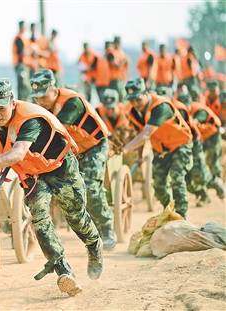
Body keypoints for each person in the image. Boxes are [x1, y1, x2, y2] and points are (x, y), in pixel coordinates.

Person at [0, 79, 103, 297]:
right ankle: (62, 269)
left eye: (1, 108)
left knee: (75, 216)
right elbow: (8, 151)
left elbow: (17, 152)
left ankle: (94, 245)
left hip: (59, 166)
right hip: (33, 174)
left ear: (11, 101)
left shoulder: (30, 119)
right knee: (38, 218)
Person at [29, 69, 116, 250]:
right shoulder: (41, 106)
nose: (40, 102)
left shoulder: (72, 102)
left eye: (43, 97)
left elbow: (54, 129)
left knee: (91, 187)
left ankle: (107, 228)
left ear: (54, 89)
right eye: (36, 98)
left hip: (94, 146)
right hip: (71, 149)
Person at [123, 79, 193, 218]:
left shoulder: (161, 106)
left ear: (146, 93)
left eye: (138, 99)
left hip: (180, 145)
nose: (135, 104)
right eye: (131, 100)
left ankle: (182, 216)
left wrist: (125, 149)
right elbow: (139, 134)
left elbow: (146, 134)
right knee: (159, 186)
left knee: (176, 177)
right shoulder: (134, 112)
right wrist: (139, 156)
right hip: (162, 150)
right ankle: (170, 212)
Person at [188, 90, 225, 199]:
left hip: (213, 135)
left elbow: (194, 122)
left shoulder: (198, 110)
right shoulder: (184, 110)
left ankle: (218, 184)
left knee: (213, 160)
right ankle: (204, 193)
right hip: (200, 138)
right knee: (199, 165)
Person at [12, 20, 31, 101]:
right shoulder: (19, 38)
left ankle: (24, 103)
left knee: (25, 87)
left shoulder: (23, 38)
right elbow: (21, 52)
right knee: (23, 86)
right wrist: (32, 50)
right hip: (21, 66)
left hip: (24, 65)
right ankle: (22, 104)